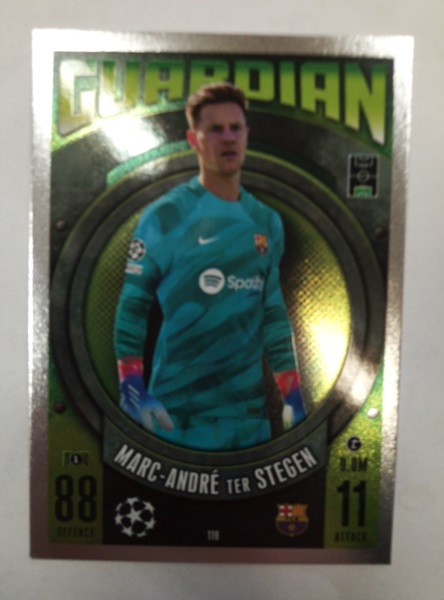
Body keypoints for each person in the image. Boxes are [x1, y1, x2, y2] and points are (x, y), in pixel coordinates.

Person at [114, 82, 306, 451]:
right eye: (215, 129)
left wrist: (292, 392)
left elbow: (272, 315)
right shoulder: (165, 216)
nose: (228, 137)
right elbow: (134, 306)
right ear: (194, 140)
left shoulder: (267, 221)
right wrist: (131, 383)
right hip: (176, 417)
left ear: (247, 135)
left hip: (249, 419)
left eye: (236, 128)